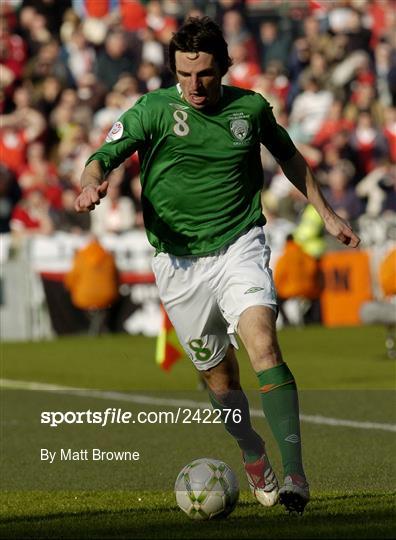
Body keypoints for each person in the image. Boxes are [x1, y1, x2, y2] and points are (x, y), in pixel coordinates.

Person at [74, 17, 360, 514]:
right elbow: (102, 157)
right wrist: (90, 183)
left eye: (204, 73)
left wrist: (327, 214)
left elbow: (290, 158)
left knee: (263, 343)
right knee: (221, 382)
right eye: (184, 74)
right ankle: (253, 454)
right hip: (178, 264)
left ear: (224, 67)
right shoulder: (152, 111)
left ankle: (295, 475)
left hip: (238, 243)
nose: (194, 85)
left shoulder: (250, 108)